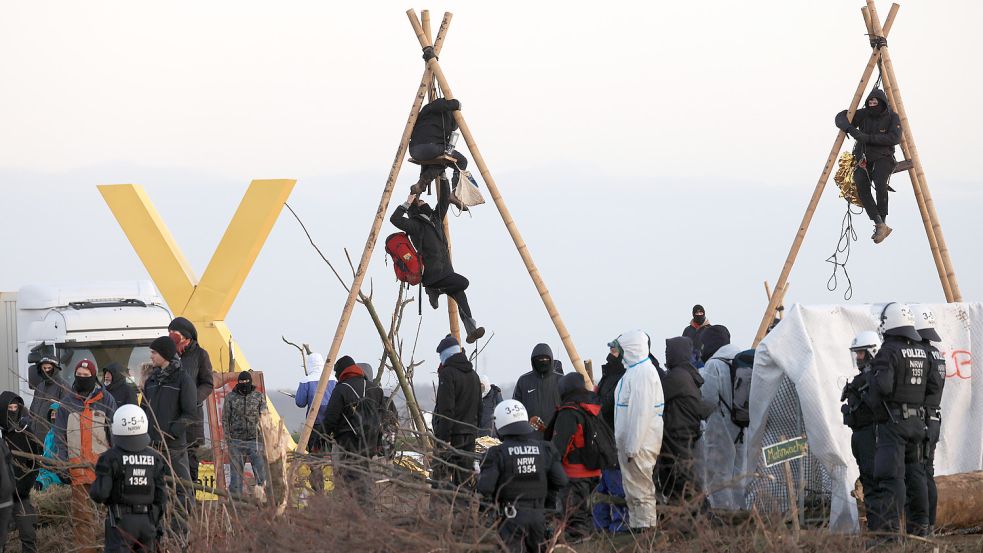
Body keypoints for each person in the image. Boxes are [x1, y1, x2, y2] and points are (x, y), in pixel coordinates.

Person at [865, 303, 936, 541]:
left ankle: (890, 535)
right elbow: (930, 387)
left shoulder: (889, 350)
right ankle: (921, 530)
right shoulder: (921, 350)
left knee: (890, 477)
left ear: (890, 321)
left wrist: (871, 398)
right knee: (916, 475)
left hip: (894, 424)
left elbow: (882, 386)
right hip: (918, 423)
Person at [390, 181, 486, 344]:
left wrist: (442, 176)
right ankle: (435, 291)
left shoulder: (436, 217)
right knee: (463, 283)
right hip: (432, 275)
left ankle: (471, 329)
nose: (423, 201)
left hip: (446, 272)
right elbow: (395, 219)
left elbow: (444, 199)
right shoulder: (415, 225)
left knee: (460, 295)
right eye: (420, 201)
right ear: (416, 208)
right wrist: (407, 202)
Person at [477, 399, 568, 553]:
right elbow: (561, 480)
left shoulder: (497, 453)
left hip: (511, 518)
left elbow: (485, 488)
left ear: (499, 426)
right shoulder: (545, 449)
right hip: (539, 518)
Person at [90, 404, 169, 553]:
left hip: (121, 524)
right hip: (148, 523)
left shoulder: (110, 458)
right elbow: (161, 496)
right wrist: (154, 523)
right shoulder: (155, 458)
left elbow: (100, 494)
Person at [142, 335, 196, 541]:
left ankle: (179, 533)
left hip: (173, 446)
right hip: (152, 446)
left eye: (154, 353)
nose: (151, 356)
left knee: (181, 489)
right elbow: (144, 409)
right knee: (155, 490)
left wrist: (171, 432)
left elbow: (190, 413)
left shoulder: (183, 379)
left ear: (164, 354)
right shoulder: (152, 381)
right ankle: (157, 532)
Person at [612, 329, 665, 531]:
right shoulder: (634, 372)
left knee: (641, 489)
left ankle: (646, 530)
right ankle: (637, 526)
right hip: (631, 446)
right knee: (633, 488)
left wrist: (632, 446)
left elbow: (640, 414)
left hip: (639, 445)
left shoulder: (643, 373)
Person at [834, 89, 902, 243]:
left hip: (883, 157)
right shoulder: (864, 114)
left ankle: (883, 220)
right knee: (861, 186)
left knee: (880, 183)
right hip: (864, 158)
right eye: (870, 102)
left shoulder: (892, 117)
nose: (872, 105)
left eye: (875, 102)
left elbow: (894, 137)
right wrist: (850, 129)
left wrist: (867, 137)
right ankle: (879, 222)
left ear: (882, 103)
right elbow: (840, 117)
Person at [659, 337, 715, 510]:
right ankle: (691, 521)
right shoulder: (688, 373)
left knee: (682, 481)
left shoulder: (676, 377)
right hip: (686, 432)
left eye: (669, 351)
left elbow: (656, 398)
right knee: (685, 479)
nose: (666, 354)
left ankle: (695, 520)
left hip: (677, 435)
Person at [545, 372, 602, 542]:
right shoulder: (593, 407)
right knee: (586, 510)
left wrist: (549, 466)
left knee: (574, 513)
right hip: (594, 469)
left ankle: (578, 542)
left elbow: (560, 446)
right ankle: (589, 538)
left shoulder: (569, 412)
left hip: (574, 472)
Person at [695, 324, 746, 510]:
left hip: (720, 424)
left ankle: (723, 514)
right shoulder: (742, 359)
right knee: (741, 470)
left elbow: (708, 399)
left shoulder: (713, 364)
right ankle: (743, 512)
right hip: (744, 422)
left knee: (719, 471)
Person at [320, 356, 384, 495]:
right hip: (370, 444)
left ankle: (356, 513)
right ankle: (368, 511)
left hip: (349, 444)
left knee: (349, 484)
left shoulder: (341, 389)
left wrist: (319, 441)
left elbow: (330, 419)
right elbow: (381, 419)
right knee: (366, 479)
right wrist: (379, 443)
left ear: (341, 372)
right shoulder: (375, 389)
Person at [840, 330, 880, 530]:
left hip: (870, 436)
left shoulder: (875, 377)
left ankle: (878, 527)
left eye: (861, 353)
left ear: (872, 352)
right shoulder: (862, 378)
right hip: (861, 435)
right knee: (867, 479)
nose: (857, 357)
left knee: (873, 481)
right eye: (856, 353)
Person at [167, 317, 214, 485]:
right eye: (169, 333)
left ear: (186, 337)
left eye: (175, 334)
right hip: (171, 416)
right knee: (171, 460)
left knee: (191, 459)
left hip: (192, 419)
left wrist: (192, 400)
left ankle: (191, 500)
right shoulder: (168, 355)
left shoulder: (200, 355)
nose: (172, 337)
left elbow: (208, 383)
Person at [912, 306, 946, 535]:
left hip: (922, 420)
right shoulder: (938, 354)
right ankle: (930, 525)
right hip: (934, 418)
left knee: (917, 472)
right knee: (928, 472)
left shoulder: (922, 355)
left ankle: (921, 526)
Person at [432, 335, 481, 492]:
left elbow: (446, 410)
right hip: (470, 435)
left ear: (446, 354)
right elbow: (480, 407)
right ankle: (463, 514)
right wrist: (474, 430)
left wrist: (443, 440)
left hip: (452, 437)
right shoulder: (474, 376)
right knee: (464, 482)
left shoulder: (448, 374)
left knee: (442, 482)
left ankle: (440, 515)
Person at [1, 392, 42, 553]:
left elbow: (35, 462)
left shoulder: (25, 432)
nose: (13, 411)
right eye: (9, 408)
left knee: (28, 533)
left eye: (15, 407)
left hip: (20, 493)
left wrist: (25, 485)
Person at [408, 97, 468, 194]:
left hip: (414, 150)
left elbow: (453, 126)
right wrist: (456, 104)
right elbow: (439, 104)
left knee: (441, 161)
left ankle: (420, 185)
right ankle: (455, 193)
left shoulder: (427, 111)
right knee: (461, 161)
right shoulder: (435, 107)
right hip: (430, 147)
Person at [222, 371, 267, 497]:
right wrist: (228, 439)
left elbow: (265, 417)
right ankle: (236, 504)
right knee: (235, 477)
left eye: (246, 382)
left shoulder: (258, 396)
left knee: (260, 475)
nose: (244, 384)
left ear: (250, 382)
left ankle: (263, 501)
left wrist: (264, 438)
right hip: (236, 441)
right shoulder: (230, 398)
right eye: (241, 382)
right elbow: (225, 419)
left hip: (255, 441)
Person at [295, 352, 335, 492]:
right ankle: (337, 488)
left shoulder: (306, 381)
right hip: (332, 426)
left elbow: (300, 402)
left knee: (315, 457)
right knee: (332, 457)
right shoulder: (333, 379)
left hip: (315, 425)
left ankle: (319, 490)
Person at [513, 344, 562, 440]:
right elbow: (516, 408)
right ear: (533, 360)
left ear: (551, 359)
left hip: (555, 437)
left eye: (545, 359)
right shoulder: (524, 380)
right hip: (529, 437)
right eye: (539, 360)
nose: (542, 362)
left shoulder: (560, 380)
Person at [27, 353, 68, 439]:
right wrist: (30, 426)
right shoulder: (40, 386)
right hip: (36, 437)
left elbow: (66, 415)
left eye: (49, 368)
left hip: (53, 438)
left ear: (55, 368)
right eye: (44, 368)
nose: (46, 371)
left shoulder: (63, 387)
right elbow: (32, 411)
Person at [595, 341, 626, 432]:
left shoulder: (624, 376)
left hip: (613, 430)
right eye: (610, 351)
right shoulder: (608, 374)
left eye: (614, 352)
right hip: (602, 428)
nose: (610, 356)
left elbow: (607, 403)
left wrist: (591, 403)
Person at [35, 403, 64, 490]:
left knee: (43, 482)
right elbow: (45, 452)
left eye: (56, 414)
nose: (54, 417)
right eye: (52, 414)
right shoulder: (49, 433)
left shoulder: (63, 434)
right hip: (44, 468)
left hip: (56, 470)